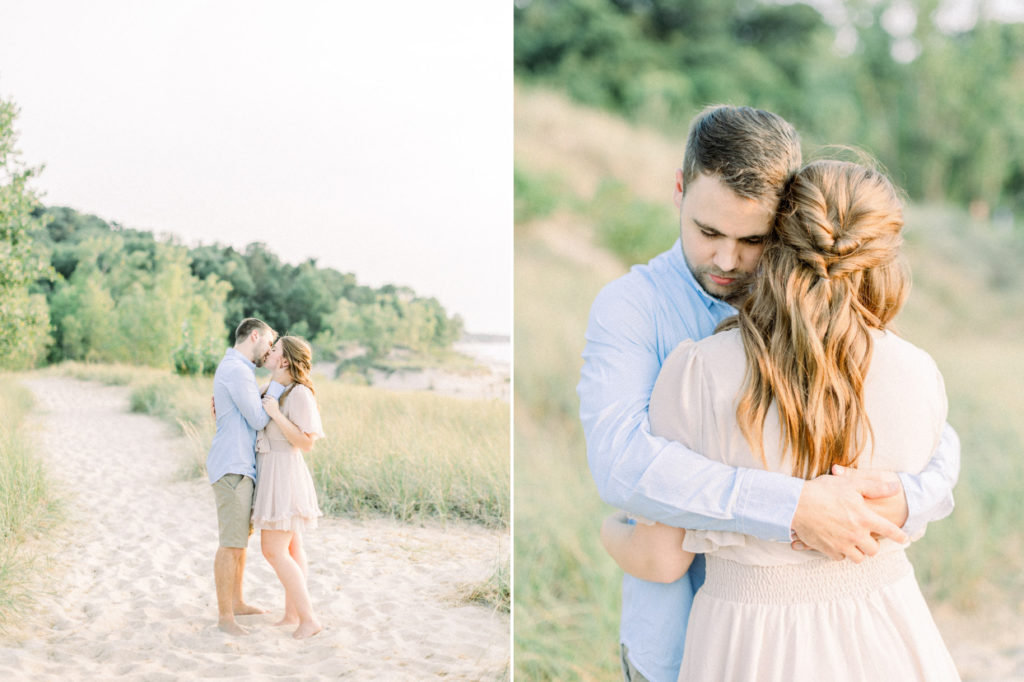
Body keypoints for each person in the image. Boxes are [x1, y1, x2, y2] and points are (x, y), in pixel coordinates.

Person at [578, 106, 961, 682]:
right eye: (707, 232)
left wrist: (908, 496)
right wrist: (797, 508)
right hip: (676, 642)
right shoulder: (631, 307)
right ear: (679, 191)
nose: (726, 261)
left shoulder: (833, 323)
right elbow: (621, 464)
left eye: (751, 239)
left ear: (787, 222)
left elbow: (938, 448)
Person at [252, 335, 325, 639]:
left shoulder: (299, 395)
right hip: (271, 471)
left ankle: (309, 619)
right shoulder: (271, 387)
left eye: (275, 350)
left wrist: (277, 415)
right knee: (293, 547)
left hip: (285, 473)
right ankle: (292, 614)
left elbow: (306, 443)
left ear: (284, 360)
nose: (268, 353)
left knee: (272, 550)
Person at [208, 317, 276, 635]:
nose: (270, 350)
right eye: (269, 342)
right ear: (255, 335)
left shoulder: (239, 370)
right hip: (232, 465)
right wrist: (278, 391)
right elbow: (259, 418)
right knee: (230, 544)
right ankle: (225, 618)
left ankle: (237, 602)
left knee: (240, 543)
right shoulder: (237, 370)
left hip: (239, 464)